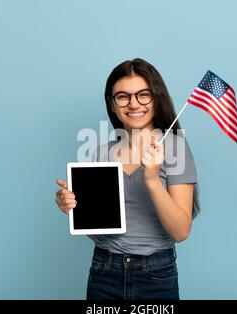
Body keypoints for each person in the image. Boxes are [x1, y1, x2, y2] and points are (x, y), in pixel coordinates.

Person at [55, 58, 200, 300]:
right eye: (122, 96)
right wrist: (75, 209)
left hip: (156, 274)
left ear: (156, 99)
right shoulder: (101, 153)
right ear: (112, 105)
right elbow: (95, 232)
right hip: (104, 270)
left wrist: (152, 179)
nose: (133, 104)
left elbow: (181, 231)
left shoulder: (175, 149)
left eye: (143, 95)